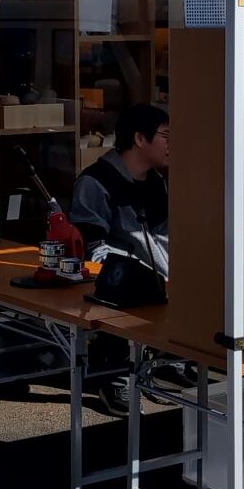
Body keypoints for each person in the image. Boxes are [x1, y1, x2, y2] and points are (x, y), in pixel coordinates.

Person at [69, 104, 170, 415]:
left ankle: (165, 365)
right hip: (115, 282)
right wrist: (132, 264)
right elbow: (90, 248)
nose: (172, 145)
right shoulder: (95, 182)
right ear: (139, 139)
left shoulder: (156, 182)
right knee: (121, 287)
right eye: (166, 136)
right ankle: (113, 376)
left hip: (160, 276)